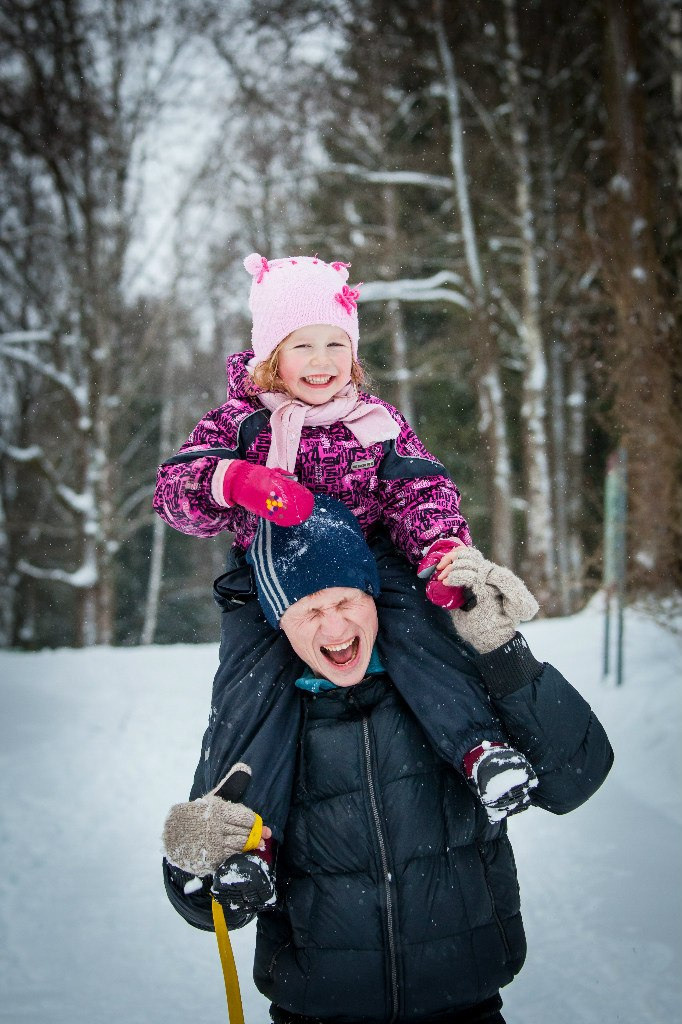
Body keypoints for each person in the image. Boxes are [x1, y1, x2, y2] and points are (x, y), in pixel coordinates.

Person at [162, 497, 613, 1024]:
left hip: (465, 1008)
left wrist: (501, 649)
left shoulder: (446, 682)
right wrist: (188, 858)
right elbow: (208, 906)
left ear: (373, 595)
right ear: (280, 623)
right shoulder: (262, 718)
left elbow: (575, 778)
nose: (334, 630)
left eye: (346, 601)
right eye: (309, 611)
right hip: (317, 1013)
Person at [153, 254, 534, 839]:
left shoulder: (374, 420)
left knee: (421, 634)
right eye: (302, 346)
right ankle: (233, 830)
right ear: (271, 357)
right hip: (270, 571)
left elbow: (419, 487)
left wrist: (439, 549)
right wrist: (231, 481)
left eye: (336, 345)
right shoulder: (239, 421)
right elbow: (174, 491)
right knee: (249, 684)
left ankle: (478, 749)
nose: (322, 361)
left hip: (369, 563)